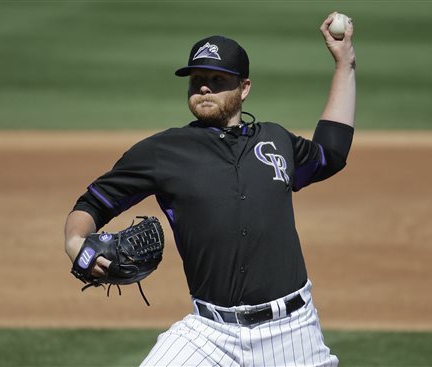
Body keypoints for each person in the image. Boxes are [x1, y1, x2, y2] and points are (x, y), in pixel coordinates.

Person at [65, 12, 355, 367]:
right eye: (197, 79)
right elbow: (91, 204)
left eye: (217, 80)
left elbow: (331, 153)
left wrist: (345, 64)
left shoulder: (275, 140)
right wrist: (76, 244)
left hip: (292, 332)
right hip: (209, 334)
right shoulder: (162, 152)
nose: (204, 87)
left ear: (243, 88)